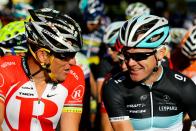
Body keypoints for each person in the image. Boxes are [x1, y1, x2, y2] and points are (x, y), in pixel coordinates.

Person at [102, 14, 196, 131]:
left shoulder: (184, 86)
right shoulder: (114, 87)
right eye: (126, 55)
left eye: (139, 56)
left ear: (160, 53)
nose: (130, 63)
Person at [0, 8, 85, 131]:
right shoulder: (5, 69)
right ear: (42, 55)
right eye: (66, 56)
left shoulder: (74, 75)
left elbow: (70, 128)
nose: (74, 62)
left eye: (74, 55)